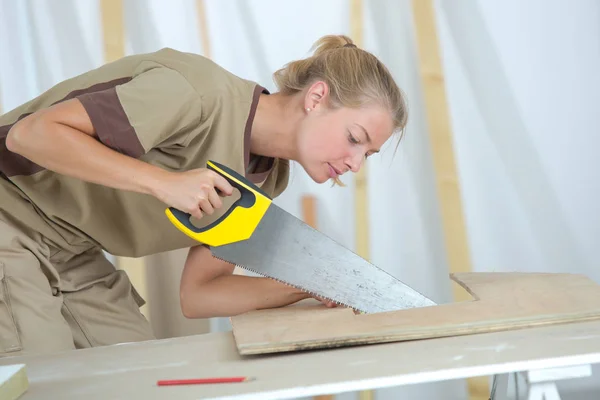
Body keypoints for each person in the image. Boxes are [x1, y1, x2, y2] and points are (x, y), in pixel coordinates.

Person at [0, 34, 408, 356]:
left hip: (74, 252)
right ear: (316, 98)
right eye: (355, 139)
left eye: (367, 155)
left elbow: (199, 295)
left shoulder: (267, 181)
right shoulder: (196, 94)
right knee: (37, 378)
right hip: (10, 216)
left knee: (140, 377)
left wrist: (311, 285)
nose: (355, 164)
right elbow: (30, 135)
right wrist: (162, 182)